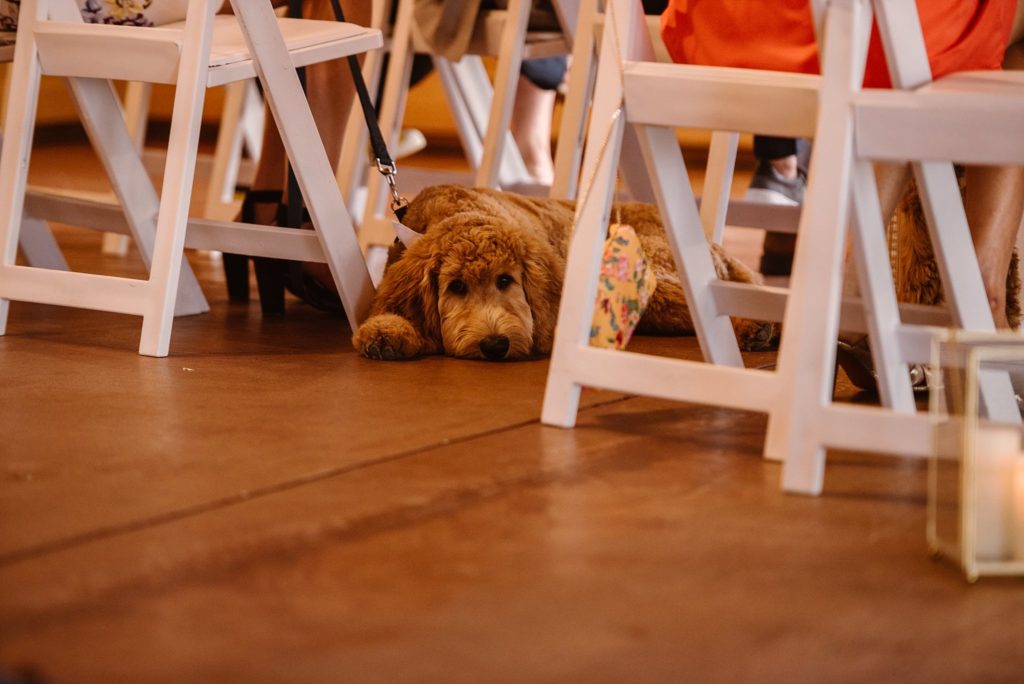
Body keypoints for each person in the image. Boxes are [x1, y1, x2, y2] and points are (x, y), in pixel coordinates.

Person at [660, 0, 1024, 330]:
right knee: (905, 45)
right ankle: (980, 295)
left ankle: (847, 275)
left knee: (897, 47)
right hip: (852, 34)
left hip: (715, 28)